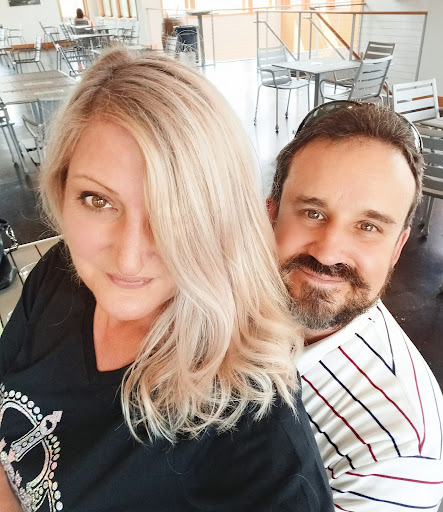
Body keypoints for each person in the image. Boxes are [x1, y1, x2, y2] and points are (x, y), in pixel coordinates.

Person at [0, 49, 333, 511]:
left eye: (174, 211)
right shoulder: (62, 274)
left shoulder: (258, 442)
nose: (128, 257)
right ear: (61, 188)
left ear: (222, 221)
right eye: (98, 200)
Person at [267, 100, 443, 511]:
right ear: (270, 213)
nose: (328, 252)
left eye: (368, 226)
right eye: (312, 213)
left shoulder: (394, 457)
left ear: (397, 247)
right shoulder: (220, 293)